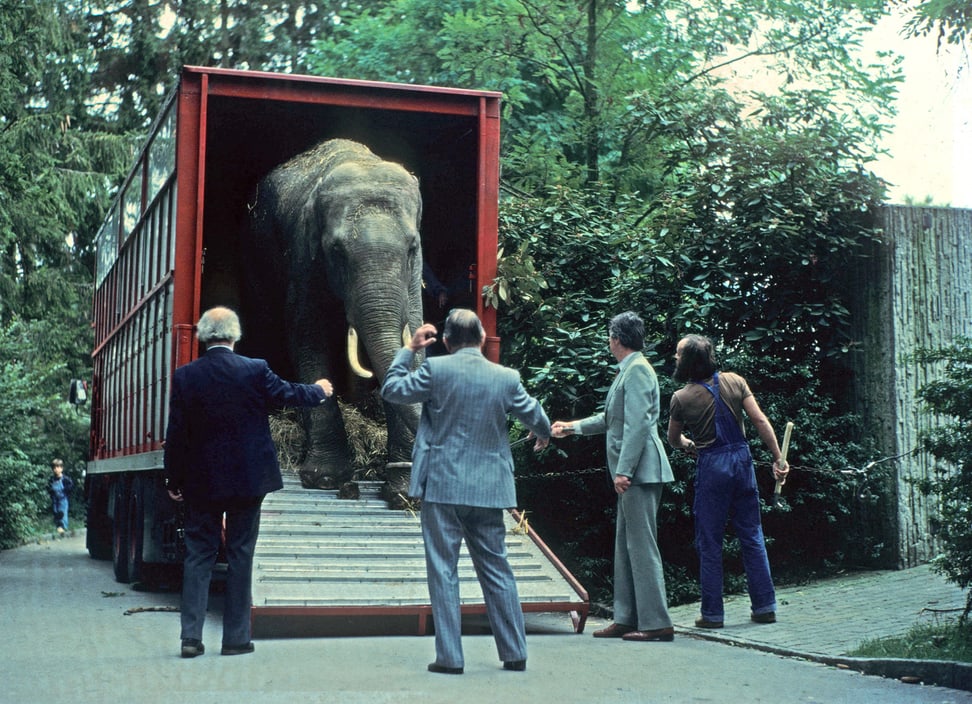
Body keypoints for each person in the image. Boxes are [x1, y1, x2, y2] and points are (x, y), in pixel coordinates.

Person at [381, 308, 551, 674]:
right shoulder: (505, 377)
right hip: (490, 489)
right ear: (482, 338)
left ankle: (450, 657)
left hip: (442, 485)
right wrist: (544, 432)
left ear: (445, 341)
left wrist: (409, 349)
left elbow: (393, 389)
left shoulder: (436, 369)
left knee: (443, 570)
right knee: (497, 568)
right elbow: (534, 414)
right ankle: (515, 652)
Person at [163, 306, 334, 659]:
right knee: (241, 555)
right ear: (235, 335)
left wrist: (174, 477)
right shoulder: (254, 370)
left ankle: (191, 638)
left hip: (202, 481)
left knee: (198, 556)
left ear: (203, 337)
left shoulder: (185, 377)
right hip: (247, 480)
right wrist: (318, 390)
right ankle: (235, 639)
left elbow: (176, 433)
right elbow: (288, 393)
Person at [551, 311, 675, 643]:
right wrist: (571, 428)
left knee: (642, 545)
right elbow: (611, 419)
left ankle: (655, 622)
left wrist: (624, 470)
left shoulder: (636, 371)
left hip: (639, 472)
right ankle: (627, 617)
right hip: (636, 471)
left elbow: (636, 425)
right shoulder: (630, 370)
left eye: (609, 336)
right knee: (626, 545)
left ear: (616, 339)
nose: (609, 341)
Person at [666, 334, 789, 628]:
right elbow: (759, 420)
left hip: (712, 465)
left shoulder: (681, 398)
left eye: (678, 354)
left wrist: (688, 444)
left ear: (688, 362)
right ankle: (765, 607)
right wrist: (778, 459)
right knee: (752, 534)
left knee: (710, 541)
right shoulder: (736, 381)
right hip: (742, 461)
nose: (674, 357)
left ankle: (712, 615)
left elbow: (673, 440)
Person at [47, 459, 74, 535]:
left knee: (62, 512)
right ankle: (57, 525)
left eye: (58, 467)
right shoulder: (52, 479)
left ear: (61, 468)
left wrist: (66, 491)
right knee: (56, 512)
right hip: (55, 498)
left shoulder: (65, 479)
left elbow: (71, 486)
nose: (56, 469)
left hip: (63, 498)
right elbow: (49, 487)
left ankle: (63, 527)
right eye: (54, 468)